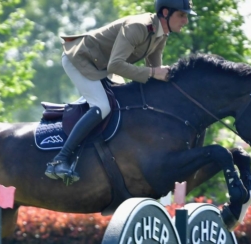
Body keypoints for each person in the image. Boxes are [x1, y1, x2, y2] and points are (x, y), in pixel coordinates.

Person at [45, 0, 196, 183]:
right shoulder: (138, 27)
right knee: (103, 106)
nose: (185, 21)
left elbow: (154, 70)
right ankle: (60, 159)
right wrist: (154, 72)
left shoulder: (161, 34)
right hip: (80, 59)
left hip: (102, 67)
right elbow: (117, 65)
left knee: (124, 103)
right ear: (165, 13)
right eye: (182, 15)